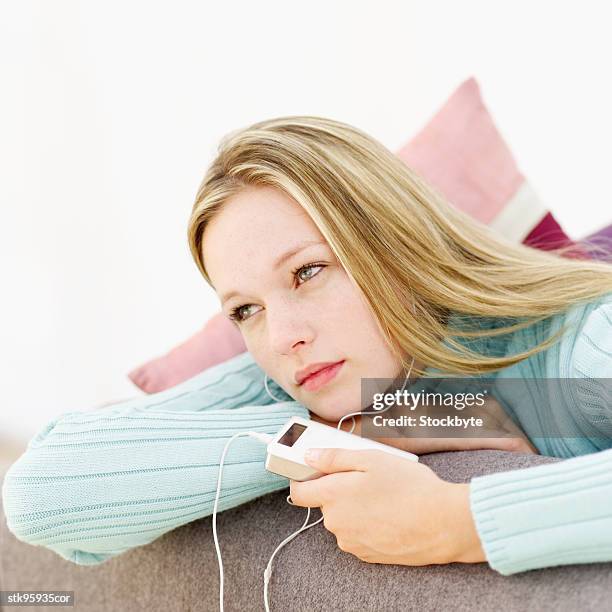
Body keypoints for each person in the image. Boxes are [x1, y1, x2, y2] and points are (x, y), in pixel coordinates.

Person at [3, 116, 612, 577]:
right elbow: (45, 491)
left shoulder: (583, 343)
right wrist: (365, 426)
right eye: (246, 309)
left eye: (307, 272)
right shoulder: (306, 379)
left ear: (393, 245)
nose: (282, 337)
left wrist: (456, 523)